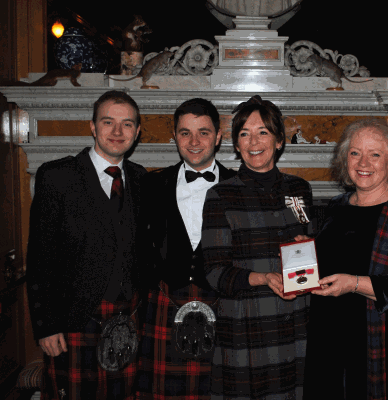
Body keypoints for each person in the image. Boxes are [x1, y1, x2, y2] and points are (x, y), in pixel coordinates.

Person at [26, 90, 147, 400]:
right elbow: (40, 258)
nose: (118, 132)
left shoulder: (140, 178)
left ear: (137, 131)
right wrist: (45, 326)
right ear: (93, 127)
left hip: (129, 318)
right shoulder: (58, 176)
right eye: (108, 122)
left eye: (127, 124)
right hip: (75, 323)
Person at [303, 118, 388, 399]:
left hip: (379, 342)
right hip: (327, 336)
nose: (363, 162)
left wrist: (354, 284)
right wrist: (306, 251)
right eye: (355, 153)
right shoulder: (337, 206)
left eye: (375, 154)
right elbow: (333, 258)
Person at [201, 95, 313, 399]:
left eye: (263, 131)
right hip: (246, 325)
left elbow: (311, 247)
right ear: (236, 144)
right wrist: (262, 278)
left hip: (296, 320)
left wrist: (313, 247)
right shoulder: (220, 196)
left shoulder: (299, 189)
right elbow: (214, 272)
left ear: (279, 141)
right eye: (244, 133)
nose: (254, 141)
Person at [135, 98, 237, 399]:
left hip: (224, 304)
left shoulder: (240, 184)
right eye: (185, 133)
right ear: (174, 136)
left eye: (203, 132)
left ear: (218, 136)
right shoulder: (151, 184)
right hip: (166, 302)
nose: (194, 142)